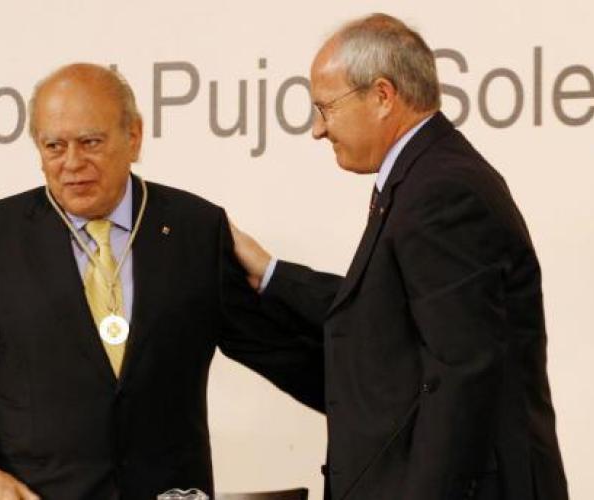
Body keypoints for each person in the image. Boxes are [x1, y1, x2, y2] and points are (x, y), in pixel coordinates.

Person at [0, 63, 323, 500]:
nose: (72, 163)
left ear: (134, 136)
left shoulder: (195, 229)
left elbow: (279, 352)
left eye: (90, 142)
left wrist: (370, 401)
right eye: (54, 146)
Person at [230, 13, 568, 500]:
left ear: (383, 96)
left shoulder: (442, 190)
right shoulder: (424, 176)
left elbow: (461, 373)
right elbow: (383, 312)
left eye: (325, 108)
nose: (318, 130)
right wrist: (272, 274)